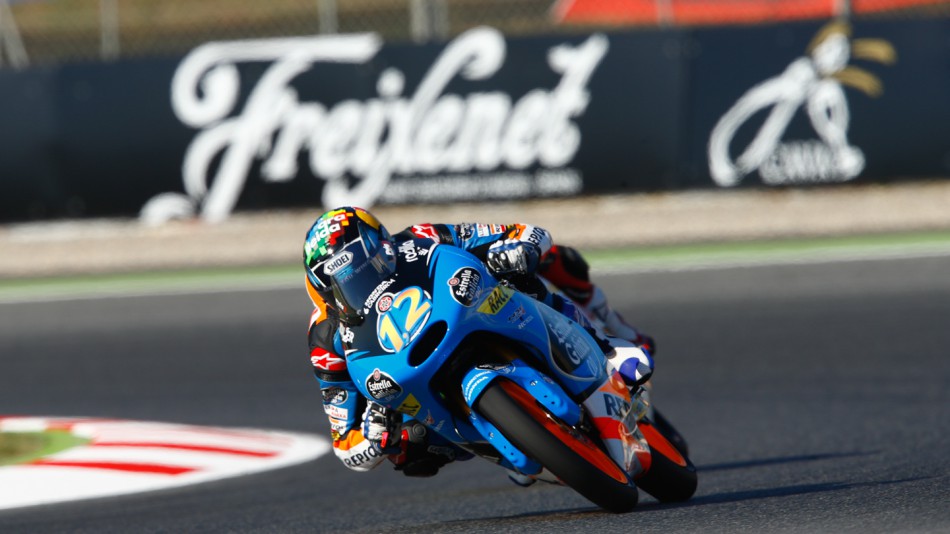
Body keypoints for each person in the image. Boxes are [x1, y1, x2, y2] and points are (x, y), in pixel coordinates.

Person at [303, 206, 655, 478]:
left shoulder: (421, 238)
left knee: (519, 274)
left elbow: (525, 232)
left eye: (367, 263)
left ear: (382, 242)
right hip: (412, 386)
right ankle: (509, 438)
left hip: (469, 312)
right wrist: (372, 438)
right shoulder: (324, 339)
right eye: (341, 280)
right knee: (409, 448)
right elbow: (345, 445)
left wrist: (518, 249)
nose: (360, 281)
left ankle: (603, 345)